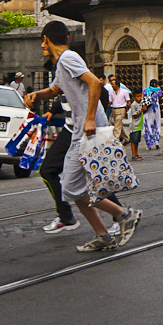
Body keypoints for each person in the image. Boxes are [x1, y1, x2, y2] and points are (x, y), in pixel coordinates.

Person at [23, 21, 141, 252]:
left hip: (87, 129)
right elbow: (56, 90)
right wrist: (37, 94)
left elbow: (95, 83)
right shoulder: (62, 65)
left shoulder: (68, 58)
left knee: (71, 187)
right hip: (79, 129)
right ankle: (104, 234)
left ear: (46, 39)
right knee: (72, 188)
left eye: (42, 42)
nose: (41, 46)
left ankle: (124, 215)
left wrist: (88, 119)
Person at [40, 97, 121, 236]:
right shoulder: (62, 78)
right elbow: (59, 91)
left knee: (93, 176)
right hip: (69, 130)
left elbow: (96, 89)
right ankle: (66, 216)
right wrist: (50, 109)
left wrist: (90, 120)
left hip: (86, 131)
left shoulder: (82, 77)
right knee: (47, 171)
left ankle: (121, 216)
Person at [106, 74, 131, 145]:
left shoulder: (124, 91)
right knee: (119, 124)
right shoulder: (112, 92)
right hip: (114, 109)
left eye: (113, 84)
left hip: (121, 109)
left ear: (117, 85)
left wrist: (128, 109)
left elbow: (128, 101)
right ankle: (126, 138)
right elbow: (110, 102)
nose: (112, 85)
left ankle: (115, 140)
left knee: (117, 126)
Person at [143, 80, 163, 150]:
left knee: (148, 124)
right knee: (157, 124)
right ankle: (156, 141)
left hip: (148, 109)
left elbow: (142, 98)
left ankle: (149, 143)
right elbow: (160, 98)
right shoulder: (159, 91)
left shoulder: (146, 90)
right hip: (156, 109)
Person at [127, 92, 145, 161]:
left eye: (140, 96)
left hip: (139, 125)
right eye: (138, 96)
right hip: (134, 126)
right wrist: (142, 110)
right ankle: (133, 155)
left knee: (137, 141)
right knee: (133, 141)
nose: (140, 98)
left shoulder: (140, 104)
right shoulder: (133, 105)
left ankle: (136, 154)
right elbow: (134, 115)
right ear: (134, 98)